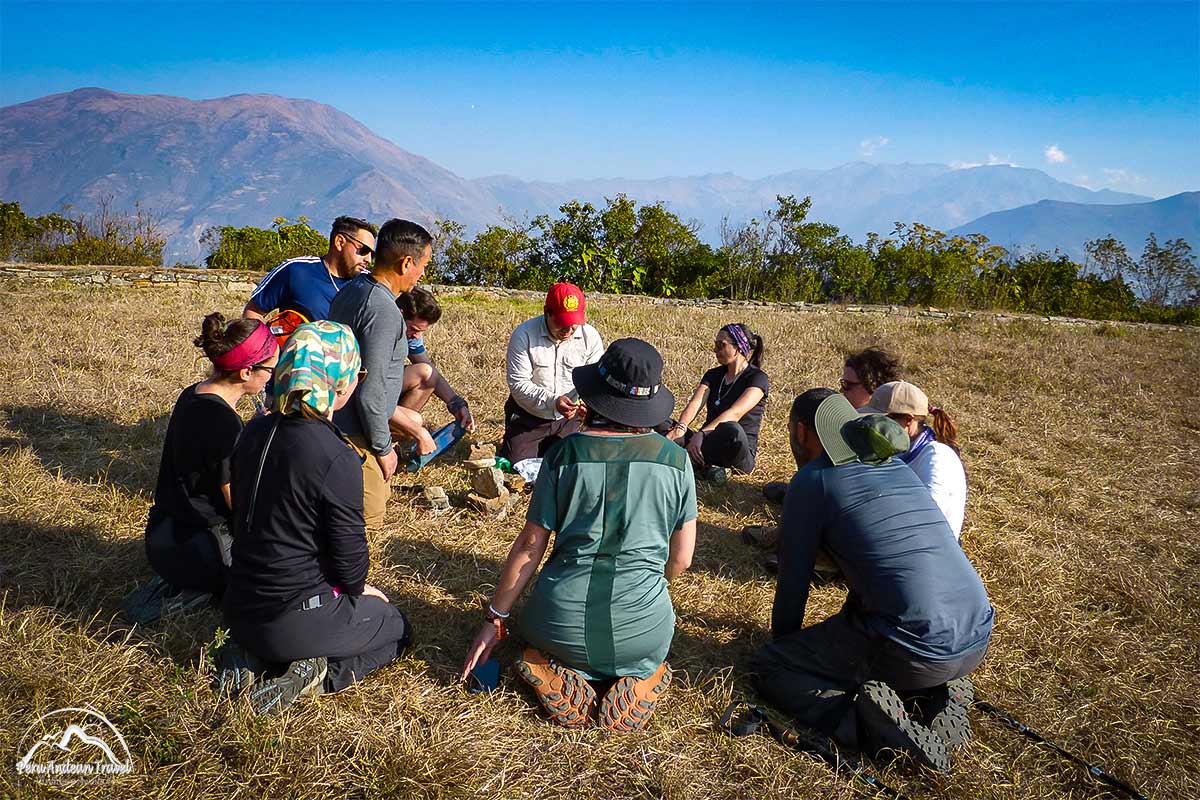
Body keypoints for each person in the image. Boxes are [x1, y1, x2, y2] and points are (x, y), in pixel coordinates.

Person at [750, 389, 993, 771]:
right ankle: (937, 691)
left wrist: (789, 650)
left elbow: (792, 590)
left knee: (769, 666)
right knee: (868, 626)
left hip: (914, 645)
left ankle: (865, 722)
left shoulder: (813, 480)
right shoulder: (896, 465)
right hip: (976, 633)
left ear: (801, 432)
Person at [462, 339, 696, 732]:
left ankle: (547, 660)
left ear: (597, 395)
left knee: (539, 638)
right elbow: (682, 559)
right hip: (644, 628)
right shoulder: (676, 461)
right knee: (647, 650)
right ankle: (643, 671)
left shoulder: (563, 455)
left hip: (557, 623)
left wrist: (494, 619)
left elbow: (530, 547)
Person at [221, 321, 413, 714]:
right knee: (396, 627)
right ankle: (319, 674)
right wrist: (360, 592)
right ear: (340, 383)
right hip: (294, 618)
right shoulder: (336, 454)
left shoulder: (253, 431)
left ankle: (251, 655)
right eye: (356, 374)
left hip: (239, 604)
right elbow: (350, 564)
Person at [128, 313, 278, 624]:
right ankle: (198, 589)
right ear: (246, 371)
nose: (271, 378)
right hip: (200, 549)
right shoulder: (223, 423)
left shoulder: (194, 393)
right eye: (270, 370)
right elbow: (238, 503)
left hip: (165, 532)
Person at [329, 218, 432, 527]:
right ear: (407, 263)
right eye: (423, 265)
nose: (422, 273)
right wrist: (383, 448)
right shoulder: (383, 309)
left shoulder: (353, 290)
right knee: (367, 523)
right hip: (356, 433)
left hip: (336, 423)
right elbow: (371, 390)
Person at [762, 346, 902, 504]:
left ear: (874, 387)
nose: (842, 391)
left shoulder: (883, 438)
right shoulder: (870, 429)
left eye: (847, 385)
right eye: (842, 384)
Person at [499, 283, 604, 464]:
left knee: (567, 464)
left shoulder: (590, 337)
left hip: (569, 418)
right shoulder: (524, 335)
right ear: (546, 312)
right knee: (520, 466)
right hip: (528, 416)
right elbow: (518, 384)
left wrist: (589, 406)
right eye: (561, 323)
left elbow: (595, 380)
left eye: (573, 325)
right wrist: (553, 401)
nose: (568, 330)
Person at [861, 381, 967, 540]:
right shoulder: (898, 452)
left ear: (908, 421)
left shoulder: (937, 458)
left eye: (880, 421)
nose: (874, 427)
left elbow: (926, 519)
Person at [243, 217, 378, 340]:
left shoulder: (369, 286)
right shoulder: (296, 270)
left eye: (372, 254)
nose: (368, 259)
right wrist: (265, 351)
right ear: (340, 242)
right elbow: (254, 312)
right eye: (363, 250)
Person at [666, 322, 768, 483]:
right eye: (715, 344)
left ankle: (689, 460)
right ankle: (704, 466)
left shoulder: (758, 378)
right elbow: (695, 403)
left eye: (721, 345)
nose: (715, 350)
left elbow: (735, 413)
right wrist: (681, 427)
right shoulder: (713, 375)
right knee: (663, 423)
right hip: (706, 442)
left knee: (731, 429)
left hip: (735, 448)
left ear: (738, 348)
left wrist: (701, 434)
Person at [388, 286, 476, 440]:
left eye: (421, 331)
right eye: (414, 329)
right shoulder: (381, 327)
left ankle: (389, 436)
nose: (416, 336)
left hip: (385, 385)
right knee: (414, 421)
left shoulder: (410, 333)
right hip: (362, 390)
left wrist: (457, 404)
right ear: (399, 315)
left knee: (426, 373)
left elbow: (430, 372)